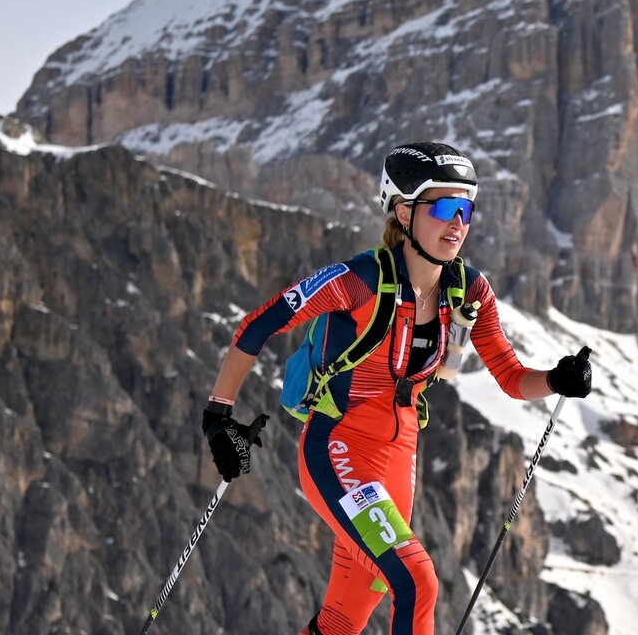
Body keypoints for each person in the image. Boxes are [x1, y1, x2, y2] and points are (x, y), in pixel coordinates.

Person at [200, 142, 594, 635]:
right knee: (417, 582)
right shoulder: (358, 280)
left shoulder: (469, 290)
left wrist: (557, 379)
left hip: (398, 454)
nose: (458, 224)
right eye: (444, 208)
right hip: (338, 445)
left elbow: (512, 379)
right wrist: (218, 417)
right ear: (404, 212)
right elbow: (257, 326)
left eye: (466, 210)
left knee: (344, 620)